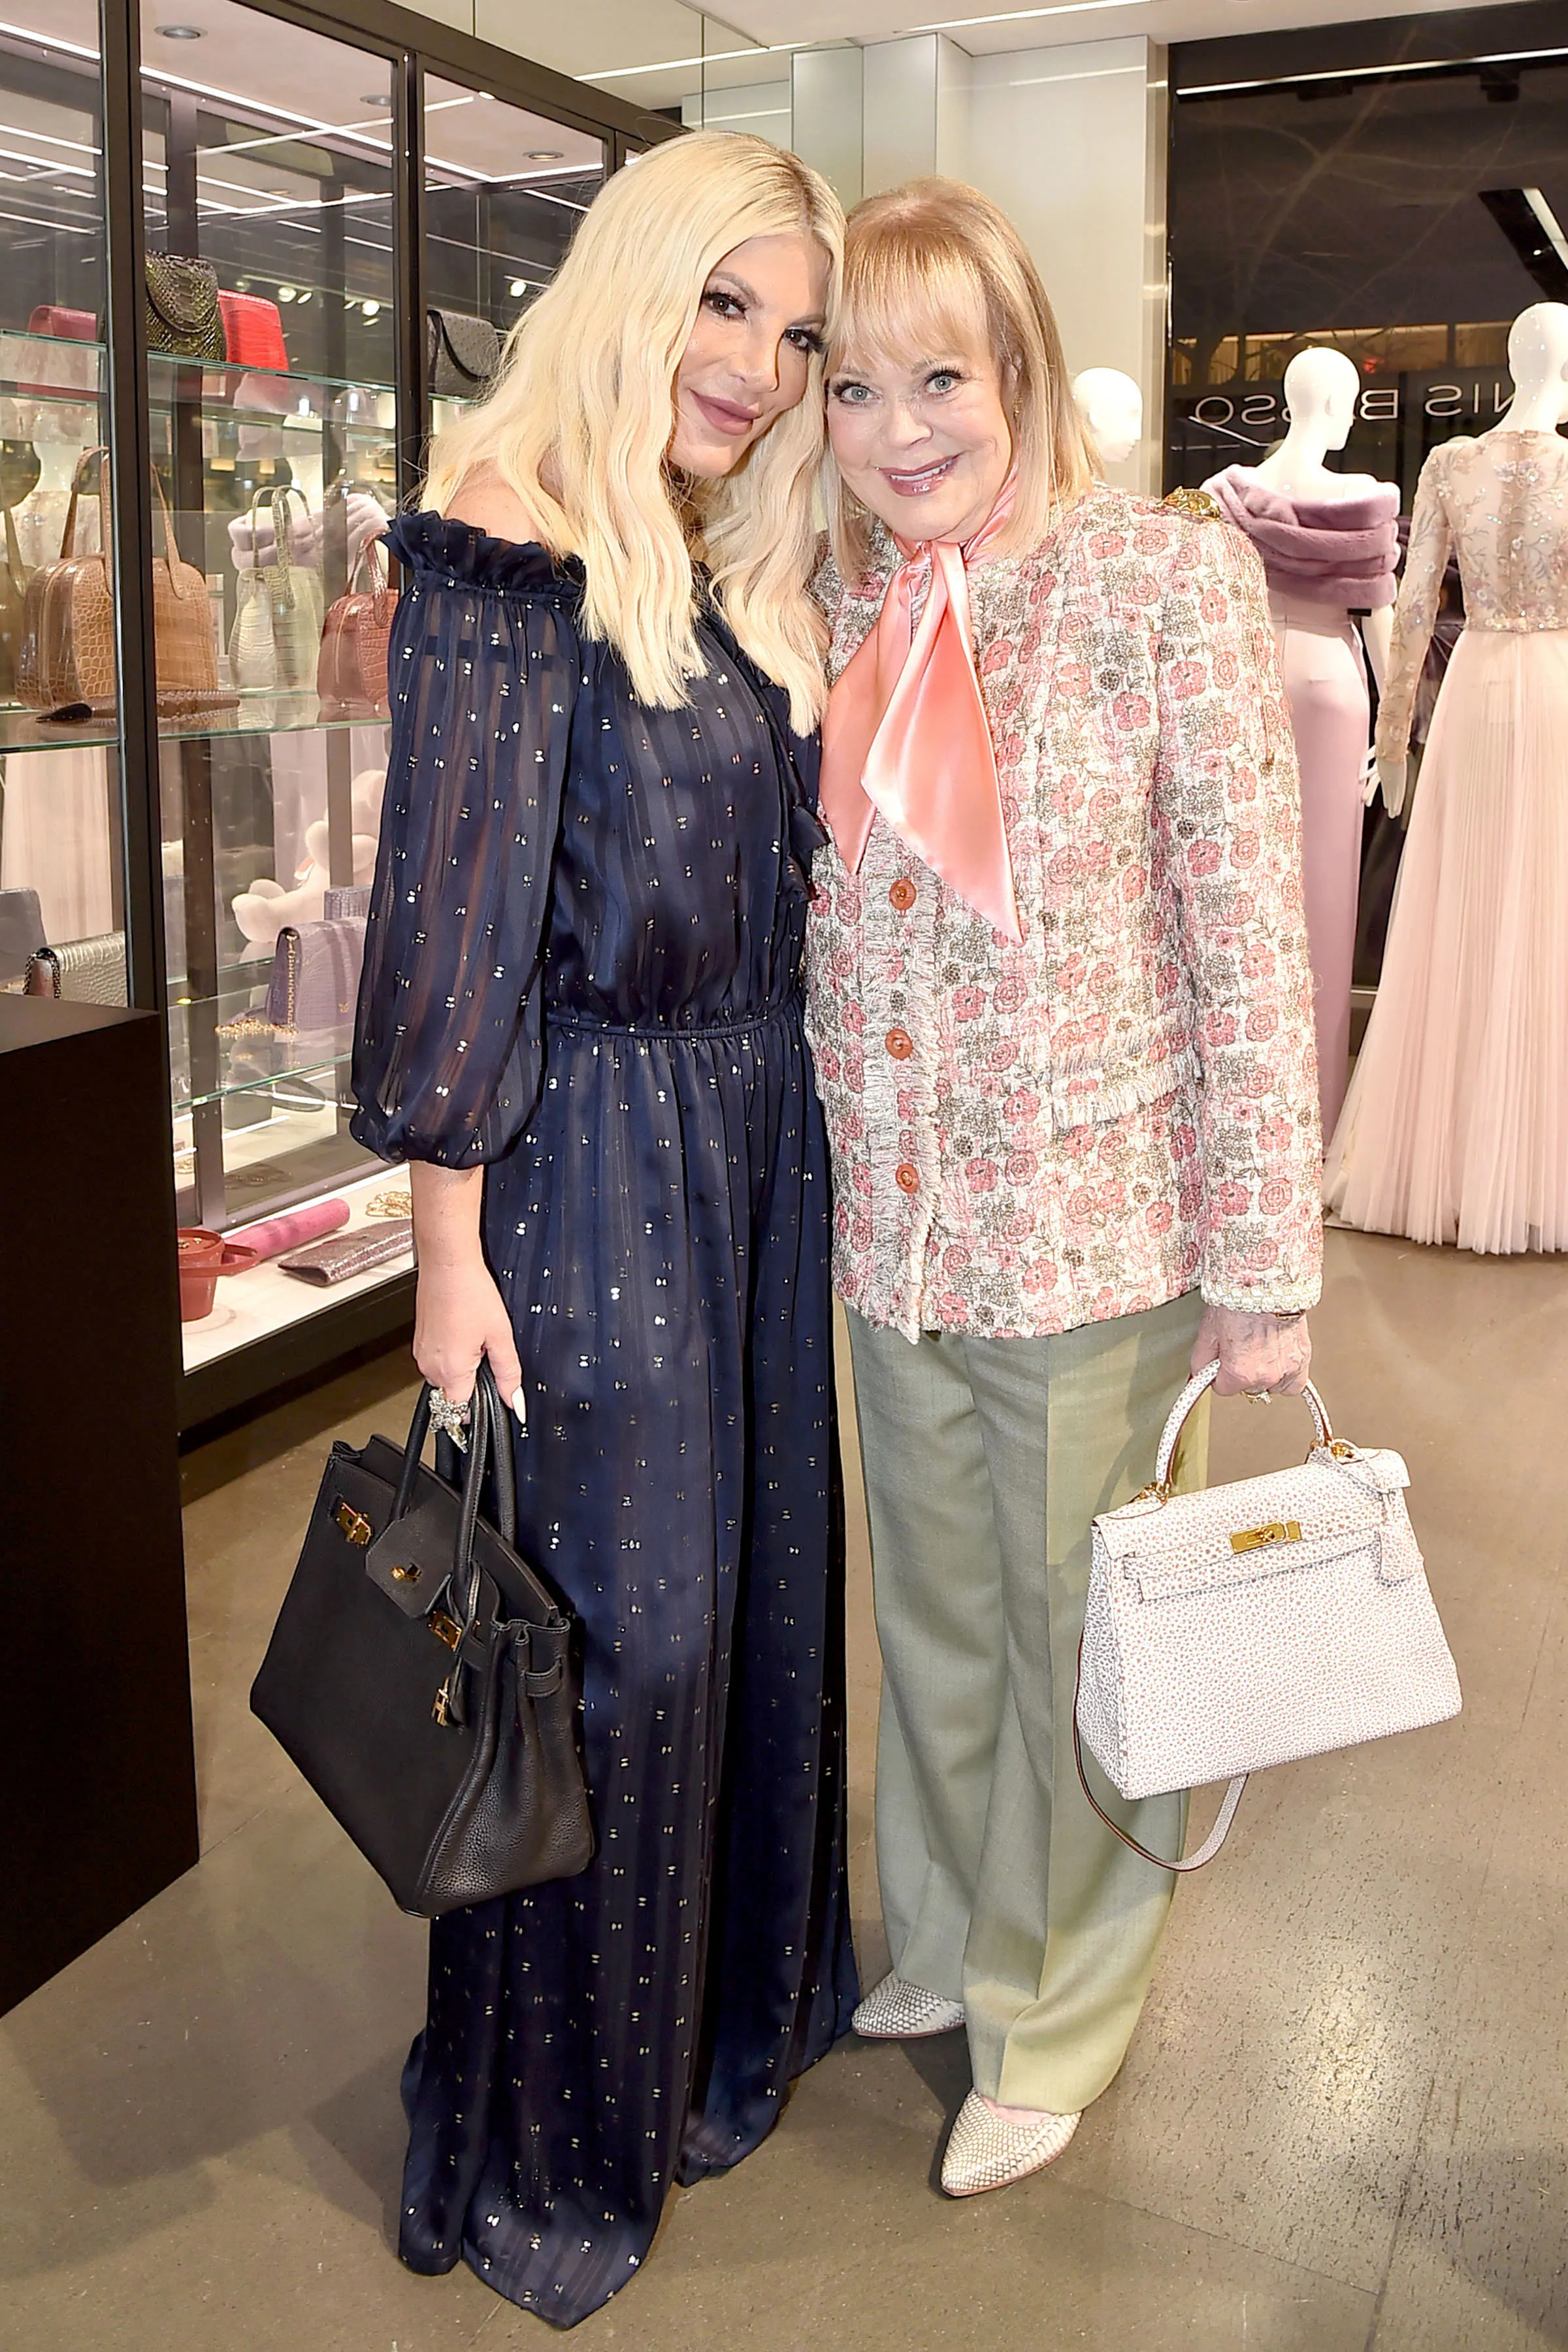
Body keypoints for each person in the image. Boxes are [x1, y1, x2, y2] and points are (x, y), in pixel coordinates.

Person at [351, 131, 857, 2327]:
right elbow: (454, 930)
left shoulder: (700, 545)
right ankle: (548, 2136)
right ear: (642, 283)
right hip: (588, 1172)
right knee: (613, 1657)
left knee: (739, 1607)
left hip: (748, 1157)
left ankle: (710, 2040)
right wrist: (449, 1259)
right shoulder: (511, 533)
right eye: (728, 304)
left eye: (798, 328)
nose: (758, 365)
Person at [805, 179, 1322, 2198]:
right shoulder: (849, 603)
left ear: (1016, 370)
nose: (901, 424)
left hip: (1101, 1234)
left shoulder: (1157, 583)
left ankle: (1064, 2004)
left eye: (942, 375)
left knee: (1092, 1634)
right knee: (937, 1623)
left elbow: (1244, 937)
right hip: (901, 1232)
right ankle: (944, 1933)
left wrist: (1265, 1260)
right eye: (855, 385)